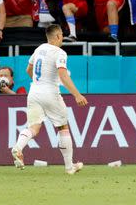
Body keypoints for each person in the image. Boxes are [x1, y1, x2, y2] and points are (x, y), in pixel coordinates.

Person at [11, 24, 88, 174]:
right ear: (58, 36)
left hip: (34, 92)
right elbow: (63, 76)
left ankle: (18, 147)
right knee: (62, 127)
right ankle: (69, 167)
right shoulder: (60, 53)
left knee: (33, 127)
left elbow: (28, 70)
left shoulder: (39, 49)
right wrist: (77, 95)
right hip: (50, 93)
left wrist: (40, 82)